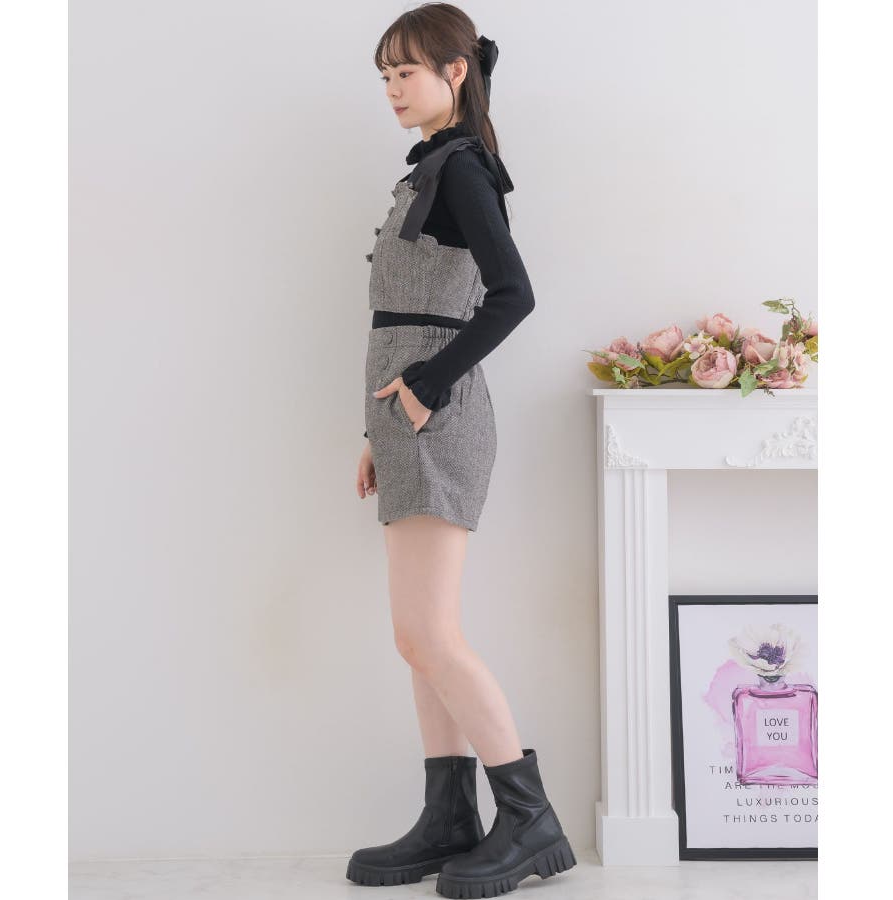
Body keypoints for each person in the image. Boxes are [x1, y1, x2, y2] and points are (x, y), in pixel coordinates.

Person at [348, 5, 576, 897]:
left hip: (437, 419)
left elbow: (513, 294)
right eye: (384, 76)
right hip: (407, 422)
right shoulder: (431, 167)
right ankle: (449, 818)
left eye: (405, 72)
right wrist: (375, 428)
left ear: (454, 72)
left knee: (428, 632)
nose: (392, 89)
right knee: (417, 638)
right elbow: (399, 321)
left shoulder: (464, 169)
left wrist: (425, 388)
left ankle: (529, 816)